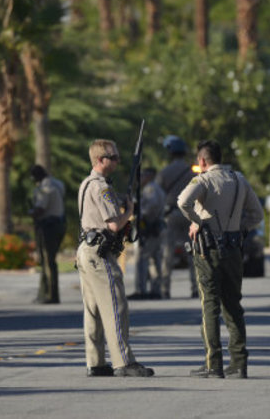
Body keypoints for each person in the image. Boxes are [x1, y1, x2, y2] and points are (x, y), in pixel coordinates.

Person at [177, 140, 264, 379]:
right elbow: (257, 214)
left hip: (208, 250)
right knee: (234, 307)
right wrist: (238, 228)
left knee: (210, 306)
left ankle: (213, 363)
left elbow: (182, 201)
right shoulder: (239, 179)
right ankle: (239, 362)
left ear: (202, 161)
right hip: (234, 250)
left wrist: (197, 221)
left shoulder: (203, 180)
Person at [76, 139, 154, 377]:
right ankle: (123, 362)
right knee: (115, 305)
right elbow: (113, 225)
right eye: (114, 157)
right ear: (101, 160)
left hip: (87, 249)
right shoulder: (102, 187)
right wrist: (129, 212)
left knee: (94, 310)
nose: (118, 161)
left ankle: (96, 362)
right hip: (100, 252)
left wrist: (122, 199)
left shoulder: (88, 183)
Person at [156, 135, 198, 299]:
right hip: (190, 214)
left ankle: (165, 288)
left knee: (167, 253)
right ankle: (195, 288)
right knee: (193, 253)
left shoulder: (165, 172)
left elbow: (159, 194)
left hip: (171, 213)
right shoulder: (191, 172)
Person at [30, 165, 66, 304]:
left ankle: (51, 295)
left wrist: (31, 213)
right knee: (49, 260)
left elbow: (40, 208)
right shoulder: (58, 184)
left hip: (48, 226)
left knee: (47, 261)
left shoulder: (45, 189)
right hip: (59, 223)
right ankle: (45, 293)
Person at [128, 167, 166, 300]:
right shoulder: (156, 188)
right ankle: (156, 289)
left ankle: (141, 290)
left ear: (149, 176)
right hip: (156, 227)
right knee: (155, 259)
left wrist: (140, 214)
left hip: (149, 227)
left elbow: (151, 206)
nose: (141, 178)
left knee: (142, 259)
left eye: (143, 175)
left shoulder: (150, 189)